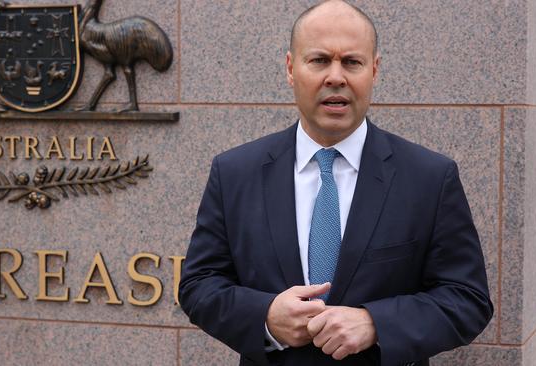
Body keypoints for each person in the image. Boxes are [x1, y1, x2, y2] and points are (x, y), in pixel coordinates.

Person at [179, 1, 493, 365]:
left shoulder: (429, 178)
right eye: (319, 60)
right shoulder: (234, 173)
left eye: (352, 62)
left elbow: (467, 299)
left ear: (374, 70)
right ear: (290, 69)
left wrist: (376, 323)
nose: (336, 77)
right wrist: (265, 316)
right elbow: (198, 285)